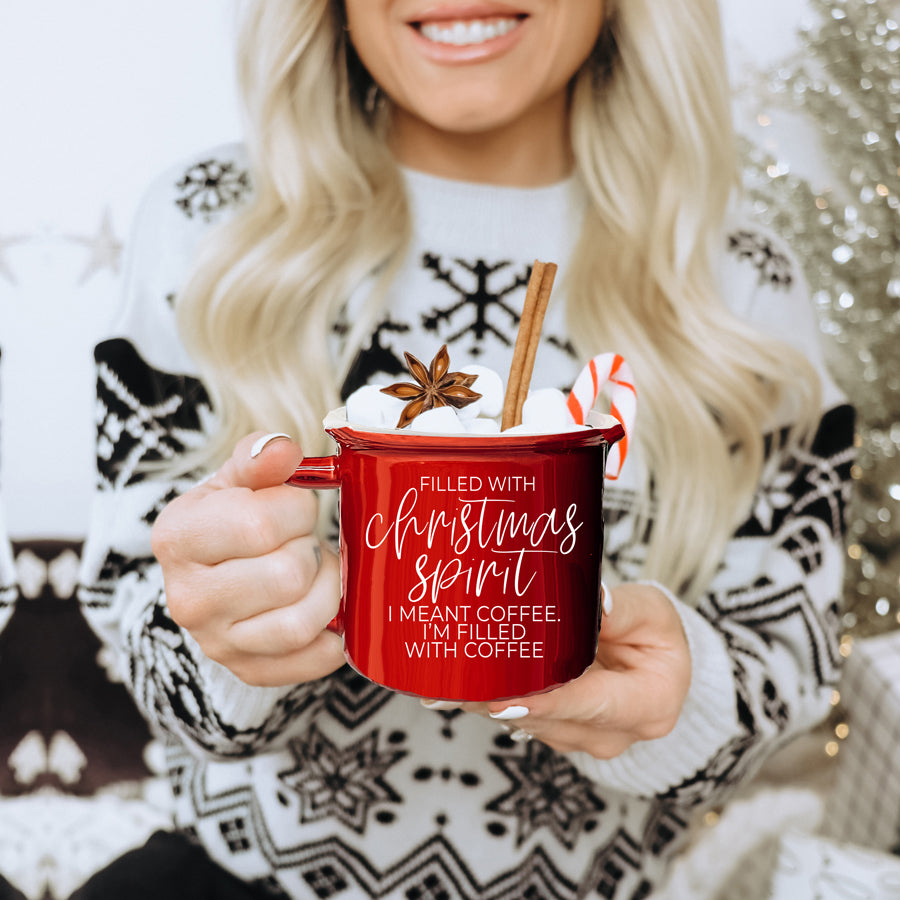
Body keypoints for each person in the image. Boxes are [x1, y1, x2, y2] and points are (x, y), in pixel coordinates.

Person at [75, 0, 855, 897]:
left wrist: (683, 702)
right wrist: (229, 641)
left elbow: (789, 660)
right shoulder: (209, 225)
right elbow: (136, 612)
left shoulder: (739, 282)